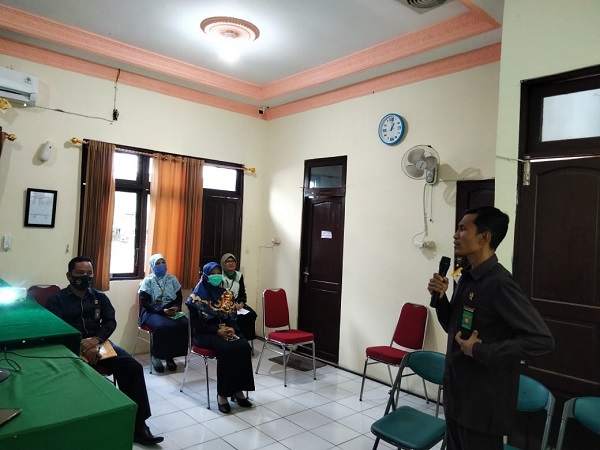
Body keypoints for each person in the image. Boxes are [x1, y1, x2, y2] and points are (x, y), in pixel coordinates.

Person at [427, 206, 554, 450]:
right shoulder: (467, 276)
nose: (455, 235)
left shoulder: (500, 283)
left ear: (485, 237)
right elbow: (453, 328)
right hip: (457, 396)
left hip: (482, 407)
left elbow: (542, 339)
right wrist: (441, 299)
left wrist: (480, 351)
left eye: (463, 229)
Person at [47, 256, 164, 446]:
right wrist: (81, 345)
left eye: (89, 273)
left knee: (133, 368)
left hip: (100, 344)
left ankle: (139, 426)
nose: (85, 277)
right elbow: (56, 329)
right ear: (69, 276)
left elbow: (110, 321)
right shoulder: (56, 300)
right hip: (70, 347)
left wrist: (95, 341)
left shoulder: (99, 297)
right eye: (79, 273)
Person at [186, 262, 255, 414]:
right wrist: (216, 331)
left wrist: (232, 328)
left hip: (225, 330)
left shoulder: (226, 294)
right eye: (212, 273)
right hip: (205, 334)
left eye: (218, 273)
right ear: (205, 276)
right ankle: (222, 395)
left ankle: (238, 390)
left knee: (244, 346)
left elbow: (232, 317)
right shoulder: (196, 297)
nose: (216, 276)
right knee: (227, 349)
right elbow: (197, 325)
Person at [138, 253, 188, 373]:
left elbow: (179, 297)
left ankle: (170, 356)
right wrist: (162, 310)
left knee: (184, 323)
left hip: (170, 310)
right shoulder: (148, 281)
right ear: (152, 266)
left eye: (163, 262)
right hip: (152, 312)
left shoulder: (172, 279)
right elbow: (146, 303)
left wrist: (176, 307)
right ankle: (156, 356)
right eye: (157, 264)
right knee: (162, 326)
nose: (161, 265)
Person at [220, 253, 257, 343]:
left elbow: (242, 292)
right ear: (223, 263)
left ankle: (245, 339)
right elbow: (219, 293)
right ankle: (235, 338)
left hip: (237, 303)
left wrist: (241, 303)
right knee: (235, 317)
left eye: (233, 261)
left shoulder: (239, 275)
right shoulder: (220, 276)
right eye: (228, 261)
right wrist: (231, 304)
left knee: (251, 314)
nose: (231, 263)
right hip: (224, 303)